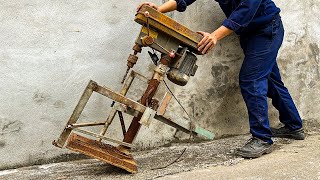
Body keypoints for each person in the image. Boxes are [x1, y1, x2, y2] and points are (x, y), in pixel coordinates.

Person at [136, 0, 305, 158]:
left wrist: (215, 36)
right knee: (270, 81)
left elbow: (246, 10)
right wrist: (160, 9)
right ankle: (294, 126)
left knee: (251, 79)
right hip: (249, 34)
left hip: (267, 30)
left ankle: (262, 139)